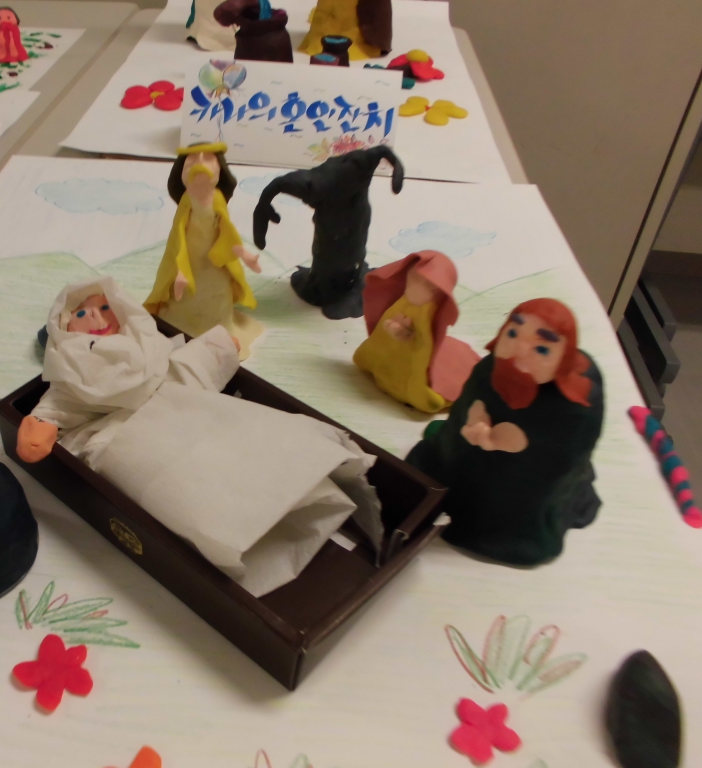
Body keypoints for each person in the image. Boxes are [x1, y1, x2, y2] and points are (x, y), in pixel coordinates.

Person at [18, 278, 382, 597]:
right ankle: (235, 527)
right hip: (126, 436)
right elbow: (59, 404)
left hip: (190, 408)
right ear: (63, 328)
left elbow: (183, 367)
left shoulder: (148, 342)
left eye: (103, 307)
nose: (96, 318)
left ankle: (298, 486)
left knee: (256, 449)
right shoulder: (71, 371)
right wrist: (42, 425)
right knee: (193, 489)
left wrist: (217, 349)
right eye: (81, 314)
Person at [406, 298, 604, 565]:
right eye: (512, 333)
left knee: (507, 504)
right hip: (466, 460)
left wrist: (515, 442)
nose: (519, 350)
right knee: (450, 461)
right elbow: (467, 408)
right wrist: (474, 419)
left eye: (541, 349)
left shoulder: (575, 408)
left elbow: (561, 458)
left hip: (523, 486)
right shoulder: (489, 368)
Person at [253, 146, 404, 319]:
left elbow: (382, 152)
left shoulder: (358, 166)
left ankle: (348, 282)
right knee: (332, 255)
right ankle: (328, 285)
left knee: (350, 251)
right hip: (331, 234)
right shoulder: (321, 184)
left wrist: (396, 169)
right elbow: (281, 184)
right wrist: (265, 202)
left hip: (353, 229)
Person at [144, 142, 263, 360]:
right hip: (190, 264)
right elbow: (177, 240)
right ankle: (182, 329)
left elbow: (227, 233)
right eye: (191, 160)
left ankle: (218, 334)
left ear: (220, 170)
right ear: (181, 172)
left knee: (214, 300)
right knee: (184, 303)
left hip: (215, 267)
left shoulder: (217, 200)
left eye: (208, 158)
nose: (199, 163)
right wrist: (181, 271)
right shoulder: (186, 202)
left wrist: (244, 255)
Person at [353, 250, 479, 412]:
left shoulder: (426, 314)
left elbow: (421, 347)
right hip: (387, 354)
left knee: (429, 397)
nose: (417, 285)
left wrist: (405, 334)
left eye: (429, 284)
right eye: (413, 276)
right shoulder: (403, 303)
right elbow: (385, 328)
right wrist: (390, 328)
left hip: (411, 366)